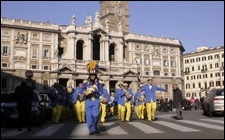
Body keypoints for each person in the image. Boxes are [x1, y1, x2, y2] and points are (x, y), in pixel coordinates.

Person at [82, 61, 103, 135]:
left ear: (96, 75)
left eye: (94, 75)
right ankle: (91, 130)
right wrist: (84, 92)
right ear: (89, 75)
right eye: (91, 75)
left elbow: (101, 92)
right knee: (88, 116)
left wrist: (95, 91)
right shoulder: (85, 82)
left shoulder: (99, 83)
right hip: (88, 100)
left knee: (95, 115)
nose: (93, 76)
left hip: (96, 100)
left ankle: (95, 126)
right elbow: (82, 90)